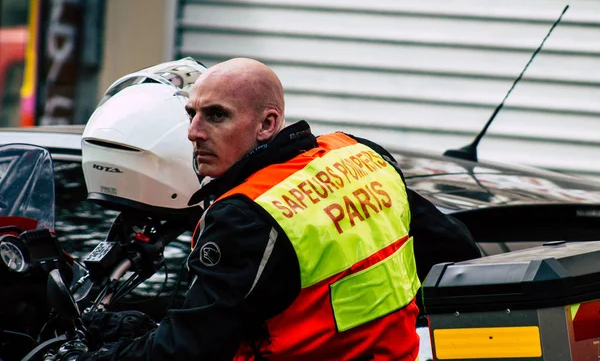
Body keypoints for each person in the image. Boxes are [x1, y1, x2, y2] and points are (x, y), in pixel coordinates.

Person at [80, 58, 480, 360]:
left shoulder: (243, 216)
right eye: (192, 114)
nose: (193, 132)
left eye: (216, 115)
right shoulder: (358, 154)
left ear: (267, 124)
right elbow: (456, 251)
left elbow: (187, 348)